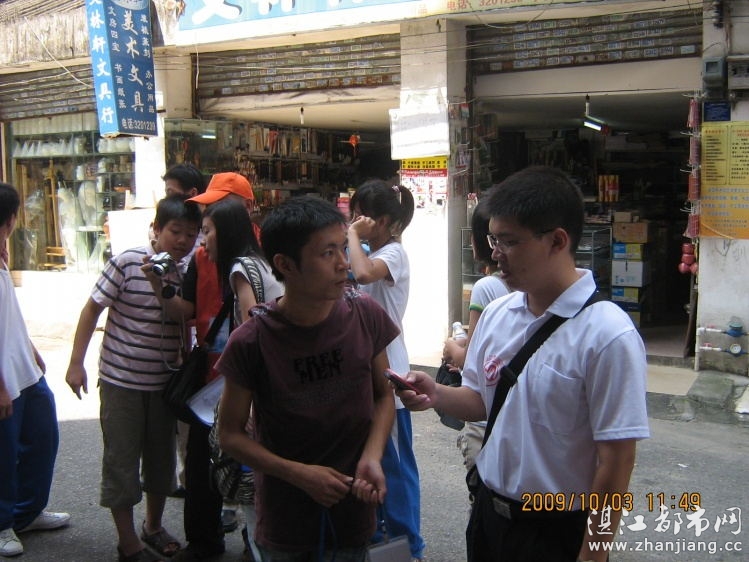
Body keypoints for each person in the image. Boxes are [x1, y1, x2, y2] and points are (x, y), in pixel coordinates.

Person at [397, 166, 650, 562]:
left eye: (510, 242)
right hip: (489, 516)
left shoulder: (607, 335)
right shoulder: (497, 314)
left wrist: (593, 555)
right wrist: (436, 394)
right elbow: (480, 400)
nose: (495, 254)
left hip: (554, 531)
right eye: (493, 239)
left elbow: (617, 462)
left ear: (557, 241)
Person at [216, 196, 398, 561]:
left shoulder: (365, 314)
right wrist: (299, 474)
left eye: (343, 248)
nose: (343, 263)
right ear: (285, 264)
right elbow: (230, 435)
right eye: (328, 253)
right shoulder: (252, 340)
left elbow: (383, 395)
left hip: (354, 511)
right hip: (287, 524)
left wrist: (372, 457)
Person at [65, 196, 201, 562]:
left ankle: (152, 526)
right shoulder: (127, 262)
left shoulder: (188, 270)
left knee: (161, 462)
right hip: (121, 382)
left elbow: (188, 318)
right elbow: (92, 309)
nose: (183, 241)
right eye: (175, 231)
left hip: (164, 384)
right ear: (155, 229)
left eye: (191, 234)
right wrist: (76, 363)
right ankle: (128, 543)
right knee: (122, 461)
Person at [153, 197, 283, 562]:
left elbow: (252, 325)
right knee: (223, 464)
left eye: (206, 231)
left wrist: (250, 397)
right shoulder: (257, 261)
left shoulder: (241, 267)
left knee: (239, 467)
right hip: (231, 382)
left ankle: (256, 546)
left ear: (224, 232)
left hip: (238, 387)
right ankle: (243, 543)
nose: (201, 240)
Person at [346, 180, 425, 560]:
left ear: (384, 222)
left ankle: (409, 545)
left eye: (363, 215)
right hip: (364, 372)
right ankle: (383, 541)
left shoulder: (394, 253)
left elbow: (363, 275)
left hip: (390, 373)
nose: (356, 221)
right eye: (354, 214)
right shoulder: (367, 250)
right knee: (373, 461)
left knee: (395, 466)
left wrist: (351, 234)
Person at [185, 172, 260, 538]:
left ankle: (257, 542)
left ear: (244, 208)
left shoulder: (261, 255)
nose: (208, 216)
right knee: (202, 464)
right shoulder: (201, 255)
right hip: (211, 374)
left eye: (218, 205)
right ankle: (203, 540)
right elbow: (187, 307)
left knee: (252, 465)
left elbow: (254, 327)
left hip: (245, 379)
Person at [0, 183, 70, 558]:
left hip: (23, 369)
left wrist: (29, 346)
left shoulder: (2, 256)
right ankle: (2, 524)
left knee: (43, 437)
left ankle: (27, 512)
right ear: (12, 219)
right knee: (4, 452)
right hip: (4, 378)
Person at [441, 196, 509, 472]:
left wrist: (451, 346)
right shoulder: (529, 292)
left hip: (485, 423)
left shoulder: (486, 287)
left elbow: (468, 359)